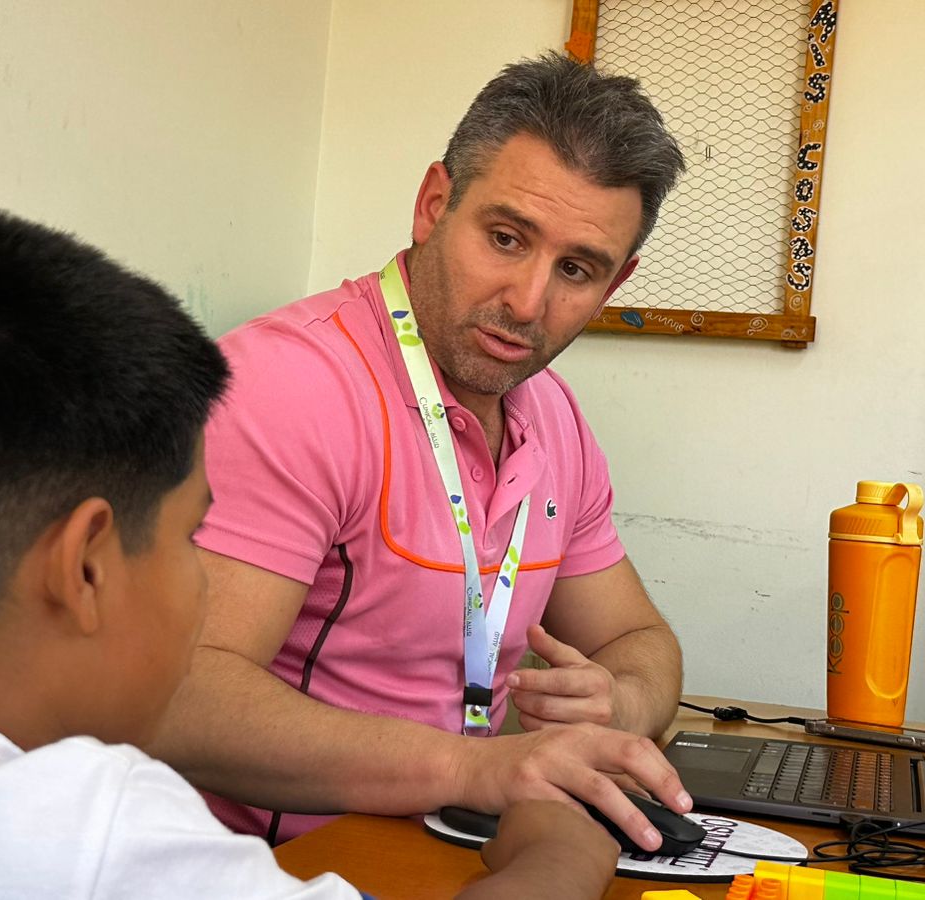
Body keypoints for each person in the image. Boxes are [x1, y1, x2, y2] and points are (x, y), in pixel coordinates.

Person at [0, 202, 618, 899]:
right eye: (187, 537)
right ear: (87, 567)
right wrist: (561, 850)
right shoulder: (105, 829)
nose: (205, 582)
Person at [152, 53, 693, 852]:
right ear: (434, 204)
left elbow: (642, 640)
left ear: (615, 284)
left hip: (449, 851)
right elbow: (178, 697)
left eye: (577, 270)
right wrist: (475, 770)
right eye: (506, 238)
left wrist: (619, 703)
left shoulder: (555, 417)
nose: (528, 302)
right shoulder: (288, 385)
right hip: (271, 866)